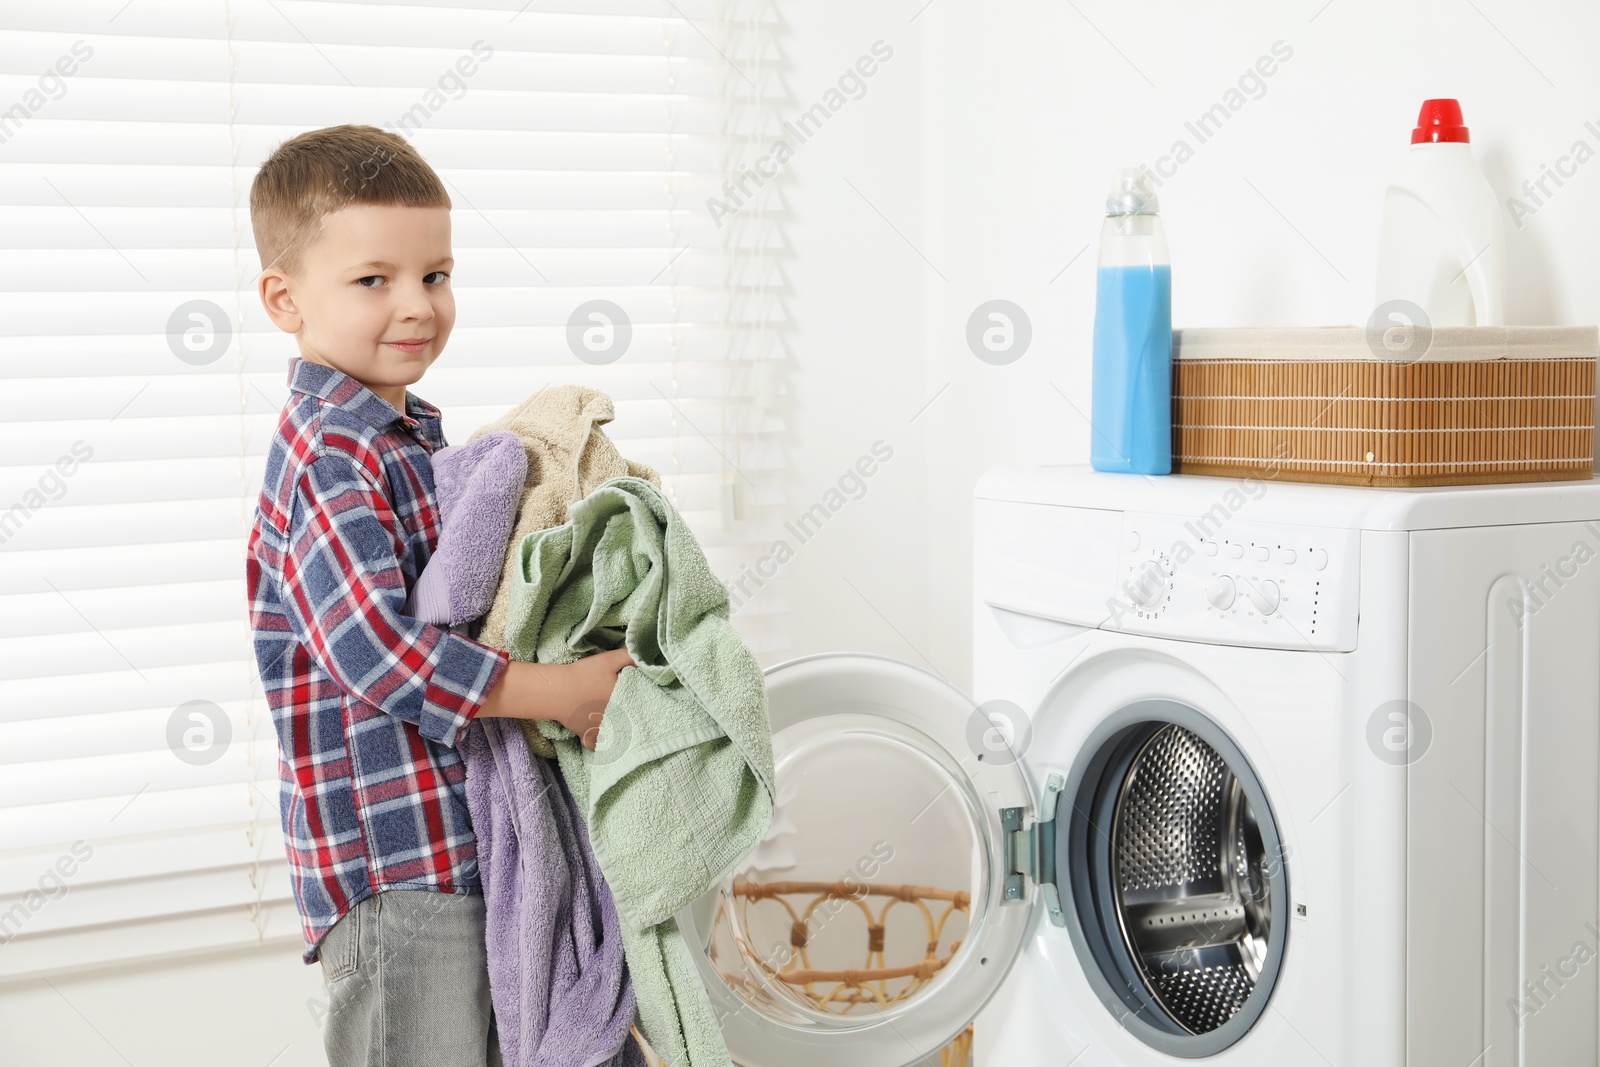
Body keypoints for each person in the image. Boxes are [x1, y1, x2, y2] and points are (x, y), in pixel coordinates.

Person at [244, 123, 629, 1067]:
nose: (416, 305)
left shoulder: (405, 433)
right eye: (374, 279)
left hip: (451, 853)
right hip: (392, 869)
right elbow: (375, 651)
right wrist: (559, 691)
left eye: (436, 274)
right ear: (284, 299)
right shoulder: (333, 453)